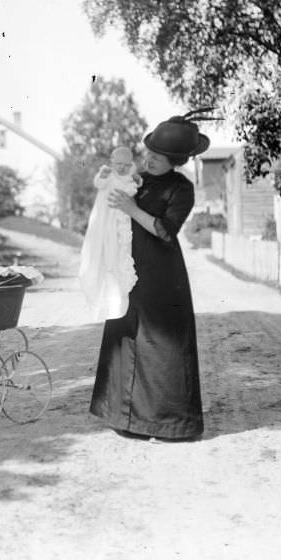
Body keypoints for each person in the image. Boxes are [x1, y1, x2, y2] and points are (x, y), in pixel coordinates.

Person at [90, 111, 212, 441]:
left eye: (159, 158)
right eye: (149, 154)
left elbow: (165, 231)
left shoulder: (182, 189)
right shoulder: (140, 178)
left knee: (160, 344)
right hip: (130, 267)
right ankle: (127, 419)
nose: (150, 161)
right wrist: (108, 180)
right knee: (126, 332)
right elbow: (113, 191)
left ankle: (169, 423)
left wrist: (131, 208)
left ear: (176, 160)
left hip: (161, 271)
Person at [78, 146, 141, 321]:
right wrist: (103, 175)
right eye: (118, 164)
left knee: (121, 254)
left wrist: (136, 178)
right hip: (105, 222)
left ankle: (119, 299)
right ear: (112, 162)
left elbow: (134, 187)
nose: (121, 168)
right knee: (104, 255)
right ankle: (106, 300)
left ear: (131, 164)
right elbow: (99, 183)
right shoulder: (107, 175)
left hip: (122, 221)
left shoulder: (129, 178)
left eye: (126, 165)